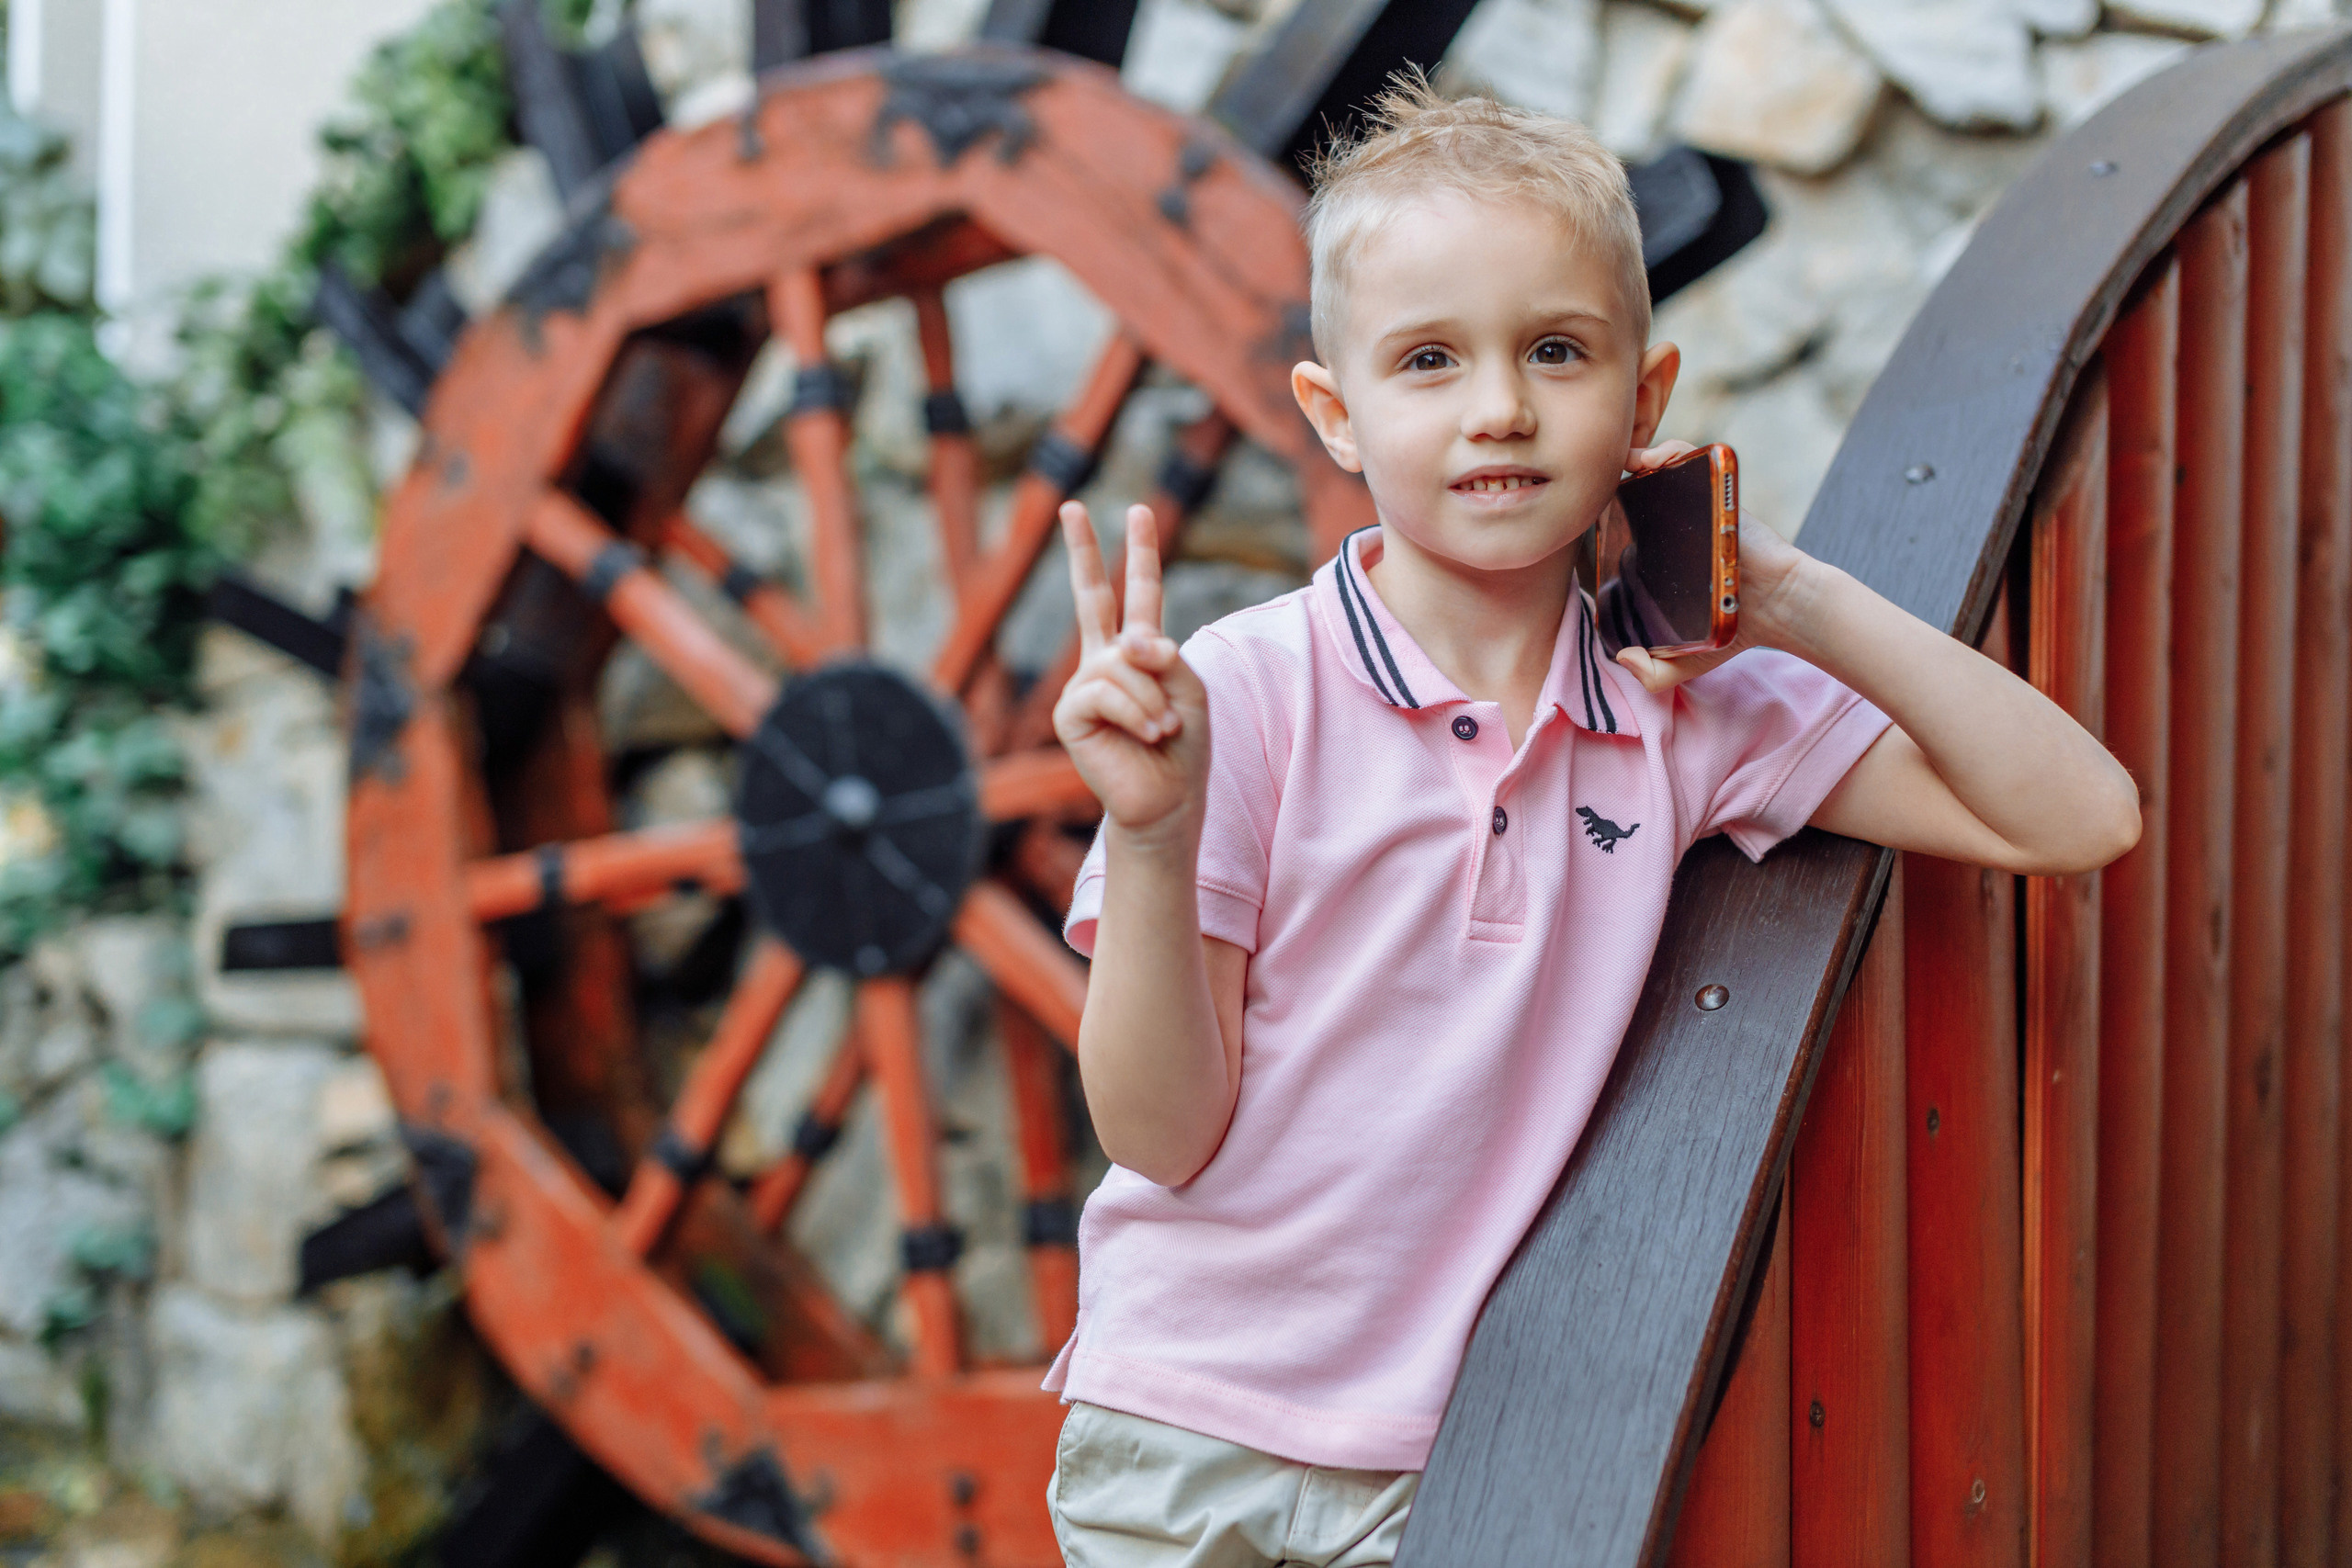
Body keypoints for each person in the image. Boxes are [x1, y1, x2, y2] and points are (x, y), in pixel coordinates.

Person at [1041, 74, 2140, 1568]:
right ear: (1334, 412)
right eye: (1427, 360)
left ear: (1644, 398)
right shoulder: (1243, 697)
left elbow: (2080, 815)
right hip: (1183, 1434)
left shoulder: (1680, 720)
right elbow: (1158, 1138)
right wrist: (1159, 841)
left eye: (1555, 351)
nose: (1499, 407)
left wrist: (1792, 596)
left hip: (1460, 1460)